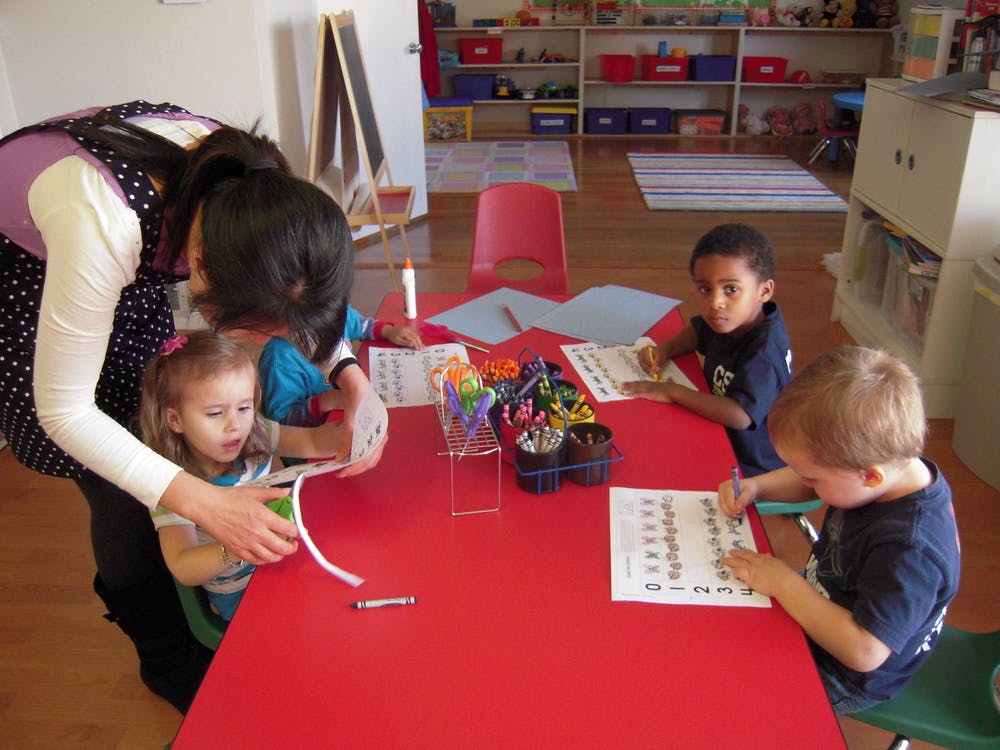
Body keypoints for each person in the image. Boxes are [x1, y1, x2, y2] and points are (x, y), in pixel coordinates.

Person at [0, 100, 383, 711]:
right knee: (119, 485)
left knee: (160, 408)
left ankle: (185, 617)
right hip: (27, 286)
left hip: (113, 266)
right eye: (256, 331)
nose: (275, 347)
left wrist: (350, 376)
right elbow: (66, 413)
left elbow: (296, 297)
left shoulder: (255, 189)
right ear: (199, 268)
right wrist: (200, 501)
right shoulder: (101, 221)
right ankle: (164, 658)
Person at [718, 346, 961, 714]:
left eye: (812, 478)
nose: (805, 483)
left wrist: (785, 584)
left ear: (871, 476)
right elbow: (821, 478)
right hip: (826, 596)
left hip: (843, 671)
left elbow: (864, 651)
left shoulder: (910, 549)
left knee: (733, 694)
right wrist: (758, 487)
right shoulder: (886, 468)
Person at [142, 331, 348, 620]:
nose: (234, 425)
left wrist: (353, 434)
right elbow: (183, 566)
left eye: (244, 407)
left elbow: (312, 441)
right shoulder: (174, 485)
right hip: (242, 593)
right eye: (215, 414)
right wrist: (238, 546)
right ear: (175, 419)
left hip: (287, 562)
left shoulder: (255, 432)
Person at [622, 223, 792, 476]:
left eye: (731, 289)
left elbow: (740, 415)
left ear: (764, 291)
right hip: (715, 430)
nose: (715, 303)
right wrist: (665, 350)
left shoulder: (765, 353)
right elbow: (698, 331)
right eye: (705, 289)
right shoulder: (732, 318)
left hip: (750, 464)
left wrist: (673, 391)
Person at [260, 306, 423, 431]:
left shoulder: (333, 310)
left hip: (350, 413)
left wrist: (387, 331)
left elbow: (358, 323)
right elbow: (281, 426)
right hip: (313, 446)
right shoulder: (279, 360)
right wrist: (325, 402)